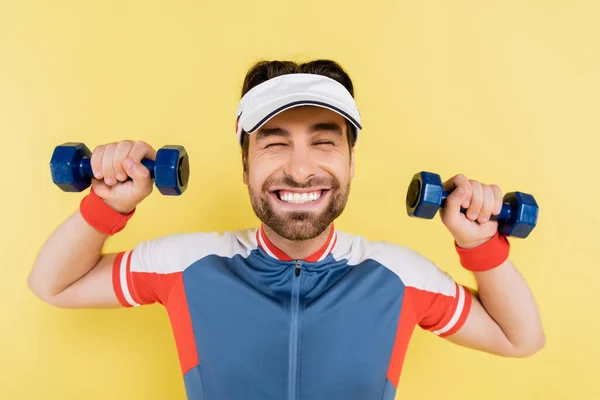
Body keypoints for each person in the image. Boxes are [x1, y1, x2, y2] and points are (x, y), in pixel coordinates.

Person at [28, 59, 545, 400]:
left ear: (350, 162)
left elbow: (520, 338)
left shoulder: (399, 275)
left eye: (324, 142)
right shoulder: (184, 265)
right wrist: (105, 204)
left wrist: (479, 245)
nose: (300, 170)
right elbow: (53, 283)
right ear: (245, 164)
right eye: (275, 143)